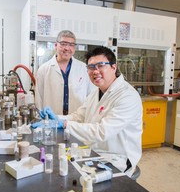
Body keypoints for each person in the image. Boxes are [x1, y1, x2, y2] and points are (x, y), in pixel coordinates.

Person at [33, 46, 143, 177]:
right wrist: (56, 118)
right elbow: (79, 116)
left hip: (118, 159)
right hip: (96, 152)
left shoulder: (127, 96)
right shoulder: (96, 92)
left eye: (100, 65)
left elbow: (102, 132)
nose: (95, 71)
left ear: (113, 67)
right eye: (91, 67)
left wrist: (65, 124)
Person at [35, 30, 95, 115]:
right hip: (52, 119)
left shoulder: (84, 68)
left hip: (77, 120)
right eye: (63, 44)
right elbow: (39, 99)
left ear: (74, 48)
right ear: (56, 45)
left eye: (71, 45)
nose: (67, 48)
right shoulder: (43, 69)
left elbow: (91, 96)